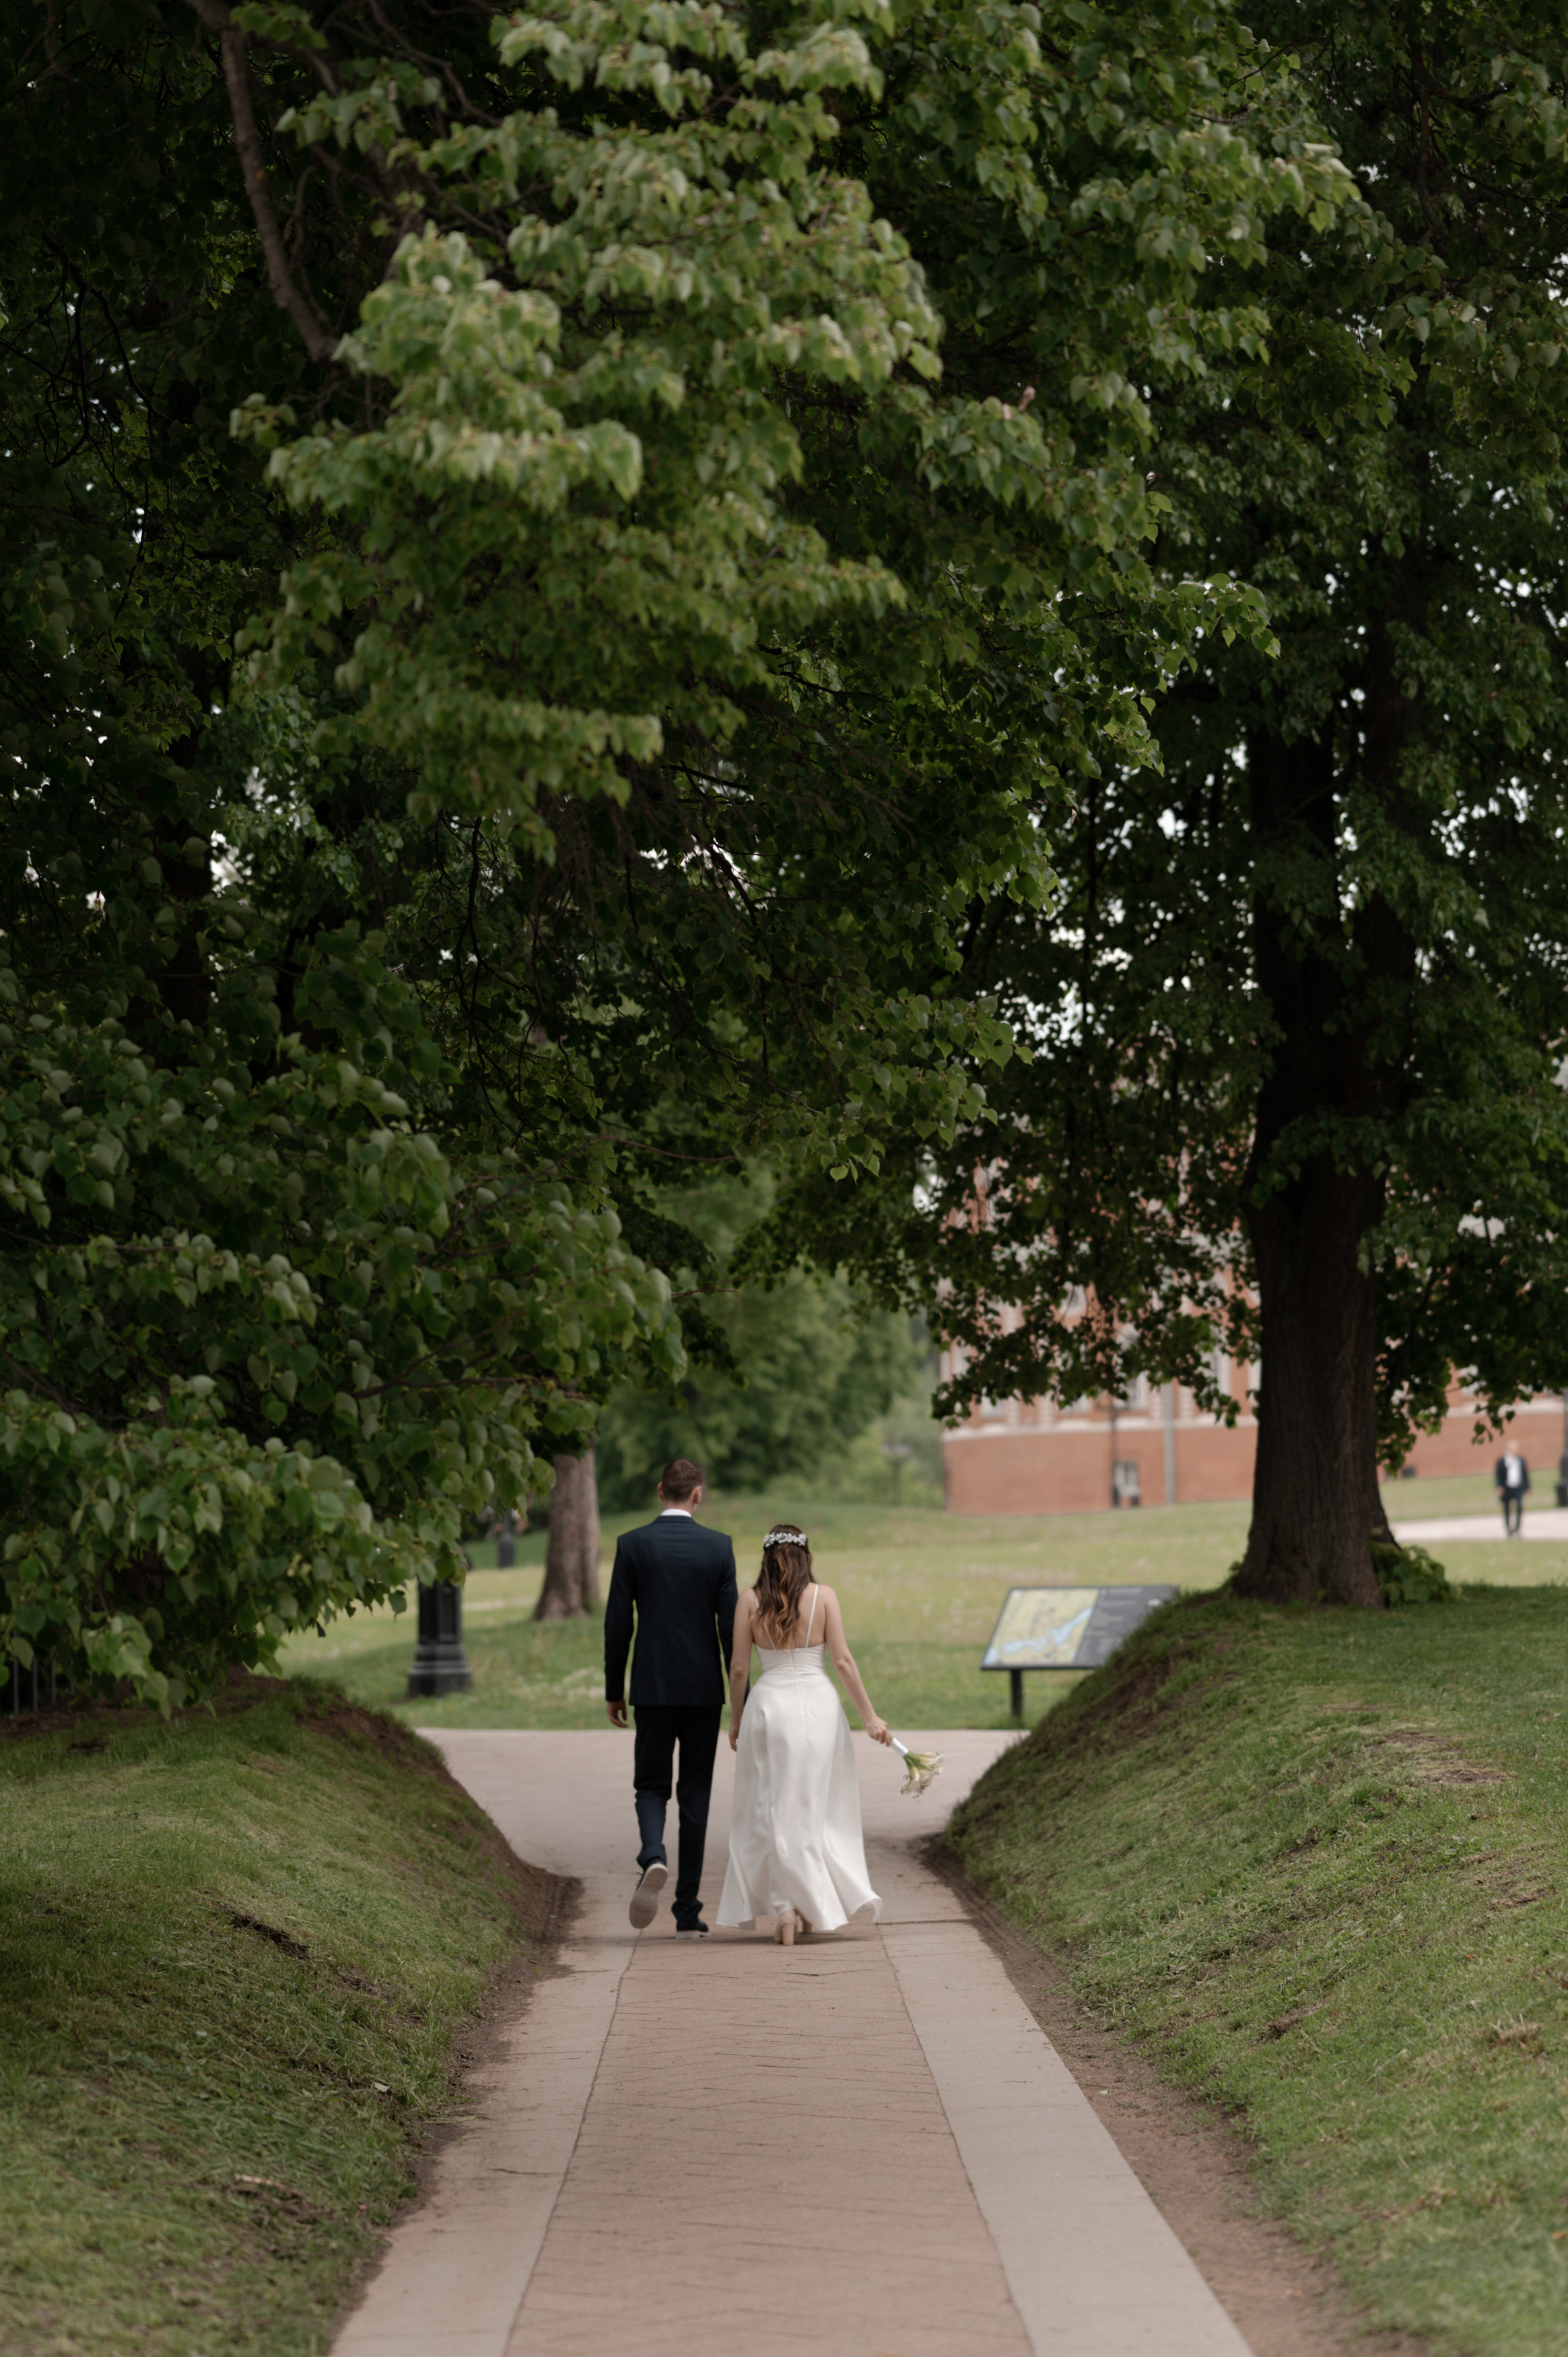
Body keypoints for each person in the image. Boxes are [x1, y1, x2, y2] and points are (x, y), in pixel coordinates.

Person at [718, 1524, 889, 1947]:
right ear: (804, 1555)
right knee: (816, 1807)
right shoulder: (824, 1596)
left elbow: (739, 1669)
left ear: (766, 1558)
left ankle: (787, 1909)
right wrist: (870, 1717)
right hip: (819, 1707)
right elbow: (843, 1661)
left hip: (769, 1708)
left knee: (771, 1809)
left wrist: (737, 1719)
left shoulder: (749, 1600)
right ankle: (810, 1906)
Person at [604, 1459, 738, 1937]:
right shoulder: (719, 1548)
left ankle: (652, 1855)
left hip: (653, 1687)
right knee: (695, 1796)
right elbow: (730, 1628)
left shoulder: (632, 1545)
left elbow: (619, 1624)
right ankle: (687, 1910)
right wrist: (735, 1692)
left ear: (661, 1490)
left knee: (651, 1786)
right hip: (703, 1690)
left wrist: (613, 1690)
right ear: (697, 1494)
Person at [1495, 1445, 1530, 1537]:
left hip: (1518, 1488)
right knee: (1507, 1509)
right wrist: (1499, 1487)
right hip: (1507, 1488)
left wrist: (1528, 1487)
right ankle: (1508, 1529)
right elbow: (1498, 1475)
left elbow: (1525, 1474)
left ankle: (1517, 1528)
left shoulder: (1521, 1460)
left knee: (1519, 1506)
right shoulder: (1502, 1461)